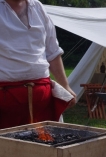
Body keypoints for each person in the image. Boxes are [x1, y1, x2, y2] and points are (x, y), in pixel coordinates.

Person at [0, 0, 76, 129]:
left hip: (42, 101)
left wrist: (65, 87)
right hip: (6, 101)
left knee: (45, 147)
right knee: (7, 148)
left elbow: (53, 52)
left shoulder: (38, 7)